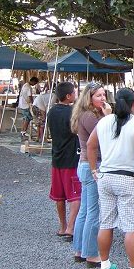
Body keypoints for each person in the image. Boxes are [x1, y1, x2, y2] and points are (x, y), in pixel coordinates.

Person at [87, 88, 134, 269]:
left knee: (106, 222)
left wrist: (94, 169)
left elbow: (91, 145)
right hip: (128, 178)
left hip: (106, 177)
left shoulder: (104, 121)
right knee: (131, 226)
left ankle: (105, 264)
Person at [71, 82, 112, 268]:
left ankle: (80, 250)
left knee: (85, 210)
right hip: (92, 165)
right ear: (89, 98)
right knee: (93, 211)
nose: (103, 99)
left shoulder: (85, 114)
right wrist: (108, 117)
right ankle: (90, 254)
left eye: (104, 95)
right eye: (98, 96)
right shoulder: (90, 116)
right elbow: (104, 136)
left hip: (85, 165)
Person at [47, 82, 80, 243]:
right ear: (68, 96)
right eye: (74, 92)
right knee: (75, 195)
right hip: (71, 157)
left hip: (56, 157)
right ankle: (71, 228)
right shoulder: (73, 112)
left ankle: (62, 225)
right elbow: (76, 130)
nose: (75, 94)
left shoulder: (51, 112)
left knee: (59, 195)